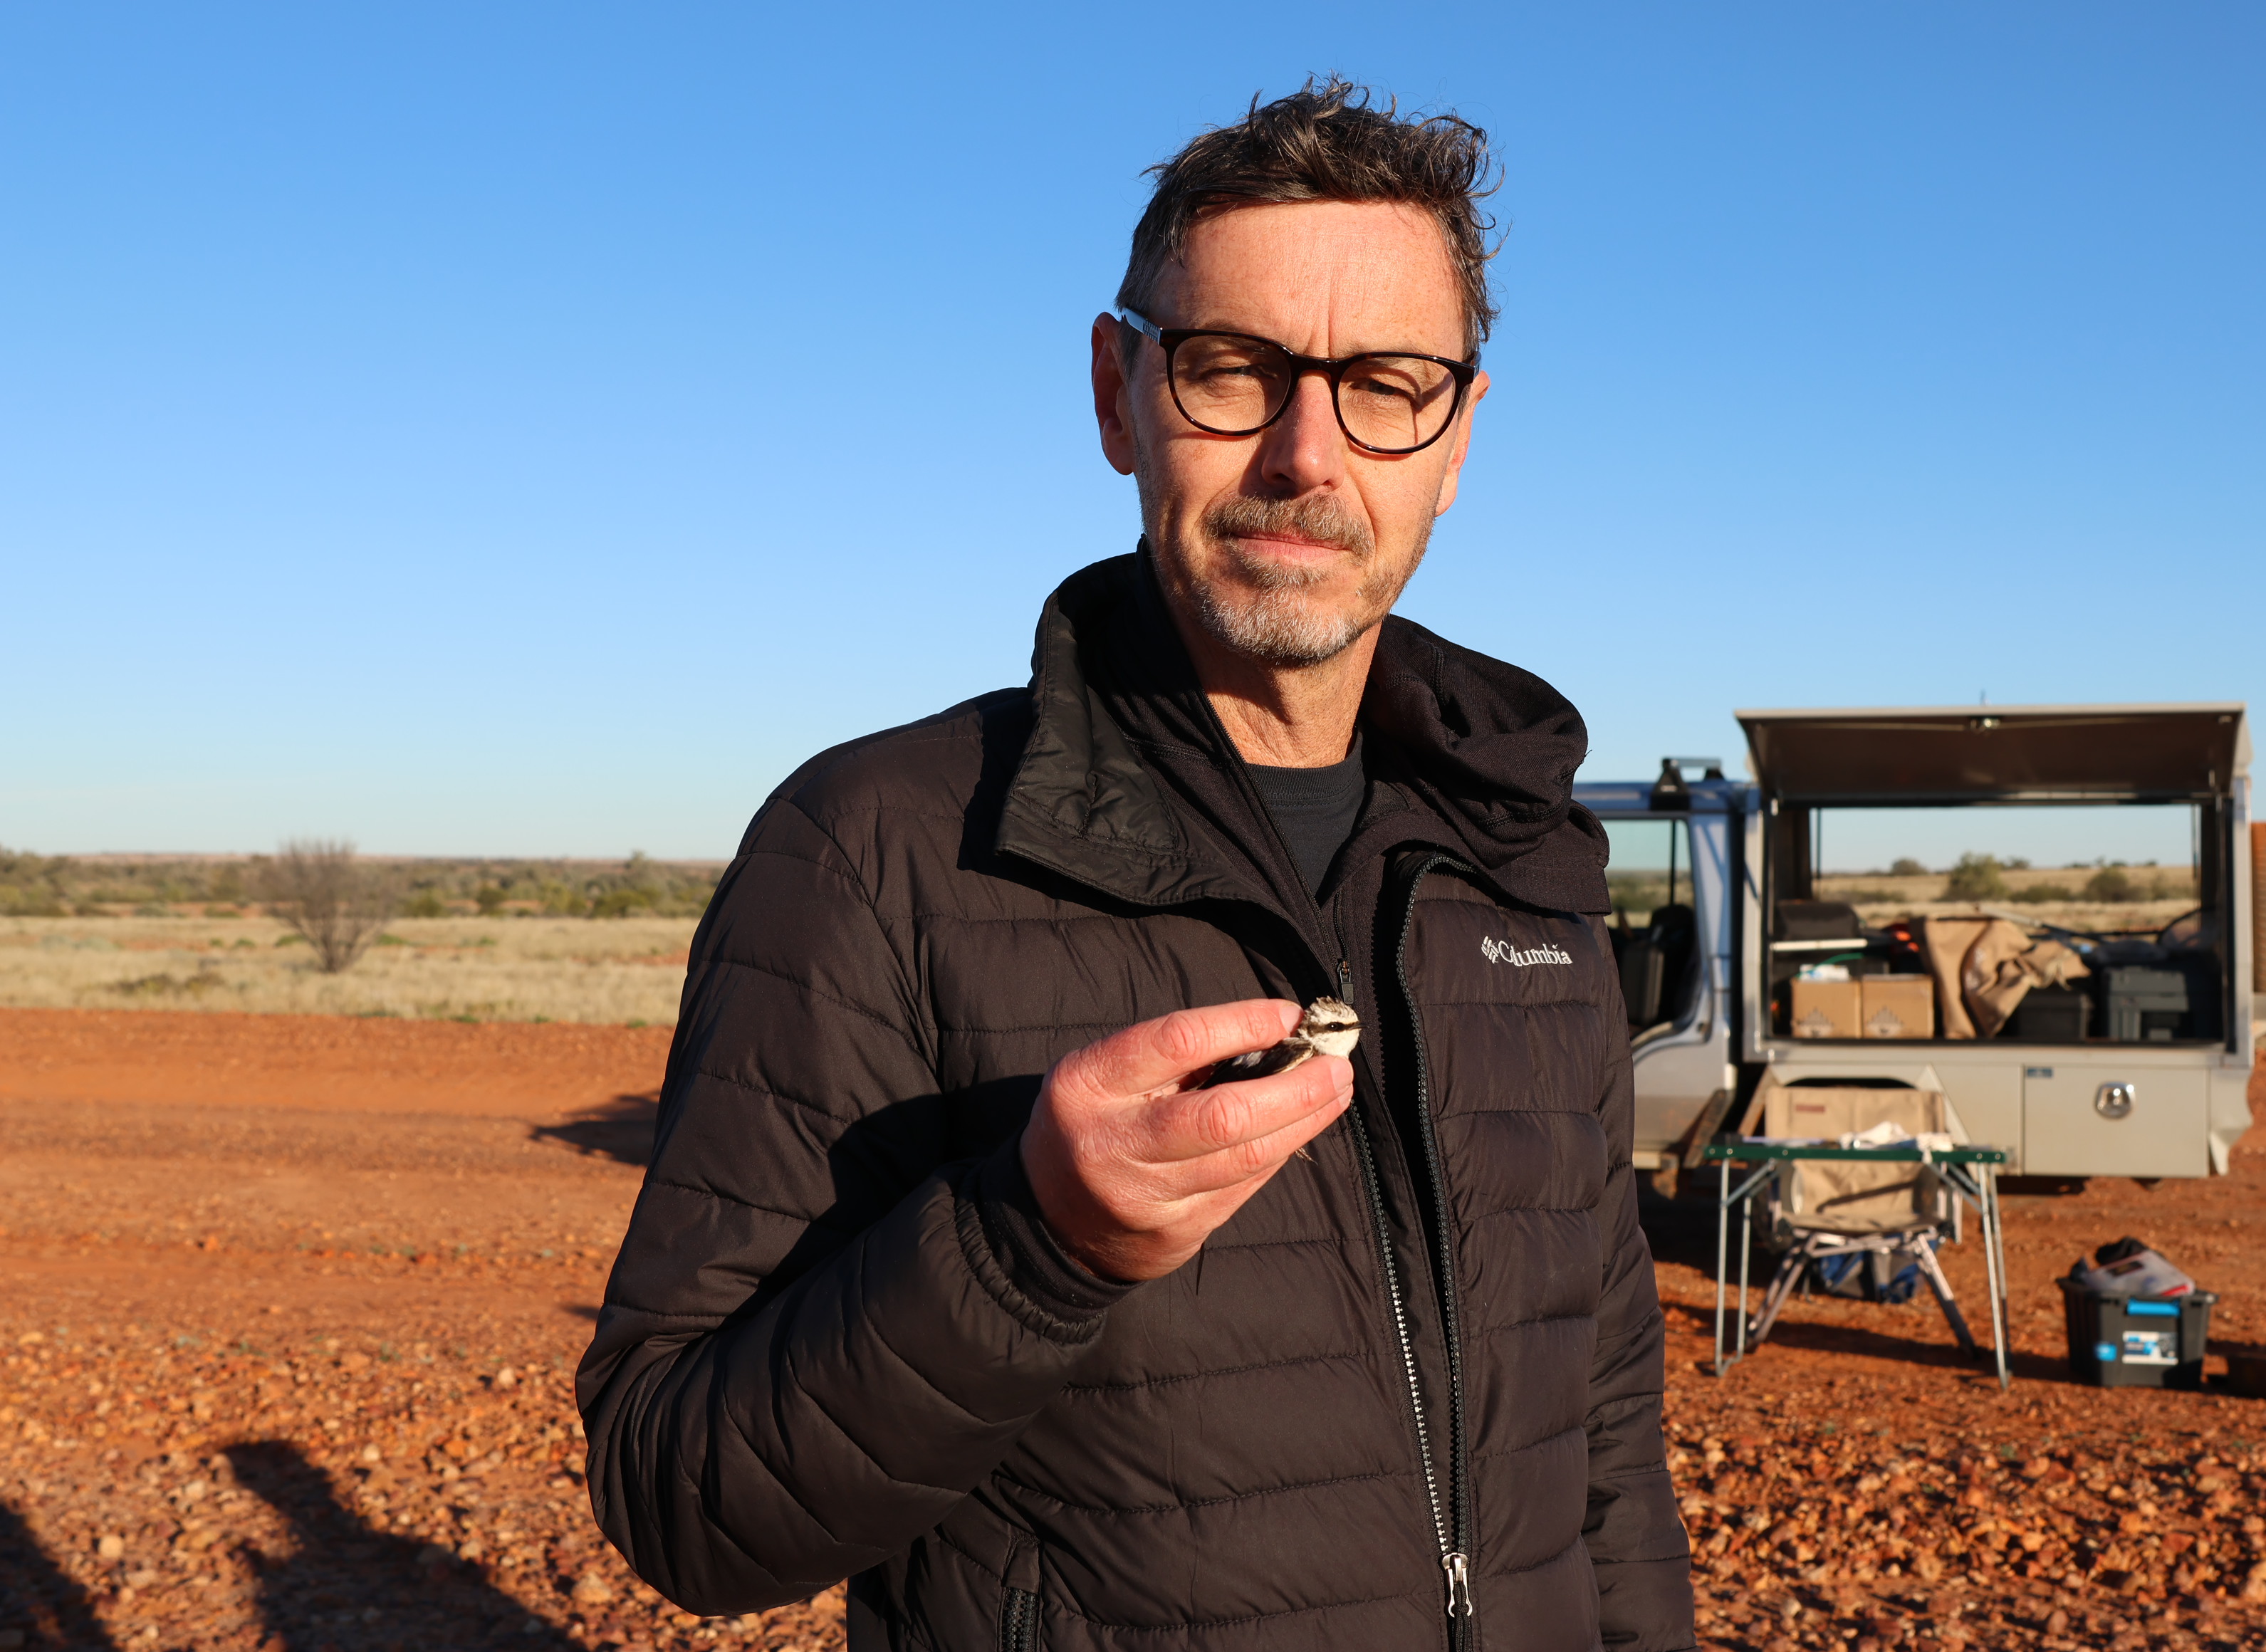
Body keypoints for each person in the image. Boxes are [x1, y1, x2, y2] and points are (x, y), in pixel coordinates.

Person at [578, 78, 1696, 1652]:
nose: (1305, 453)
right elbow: (676, 1493)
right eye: (1230, 369)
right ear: (1115, 392)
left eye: (1384, 382)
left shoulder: (1517, 852)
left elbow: (1598, 1433)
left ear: (1456, 439)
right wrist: (1030, 1239)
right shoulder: (877, 850)